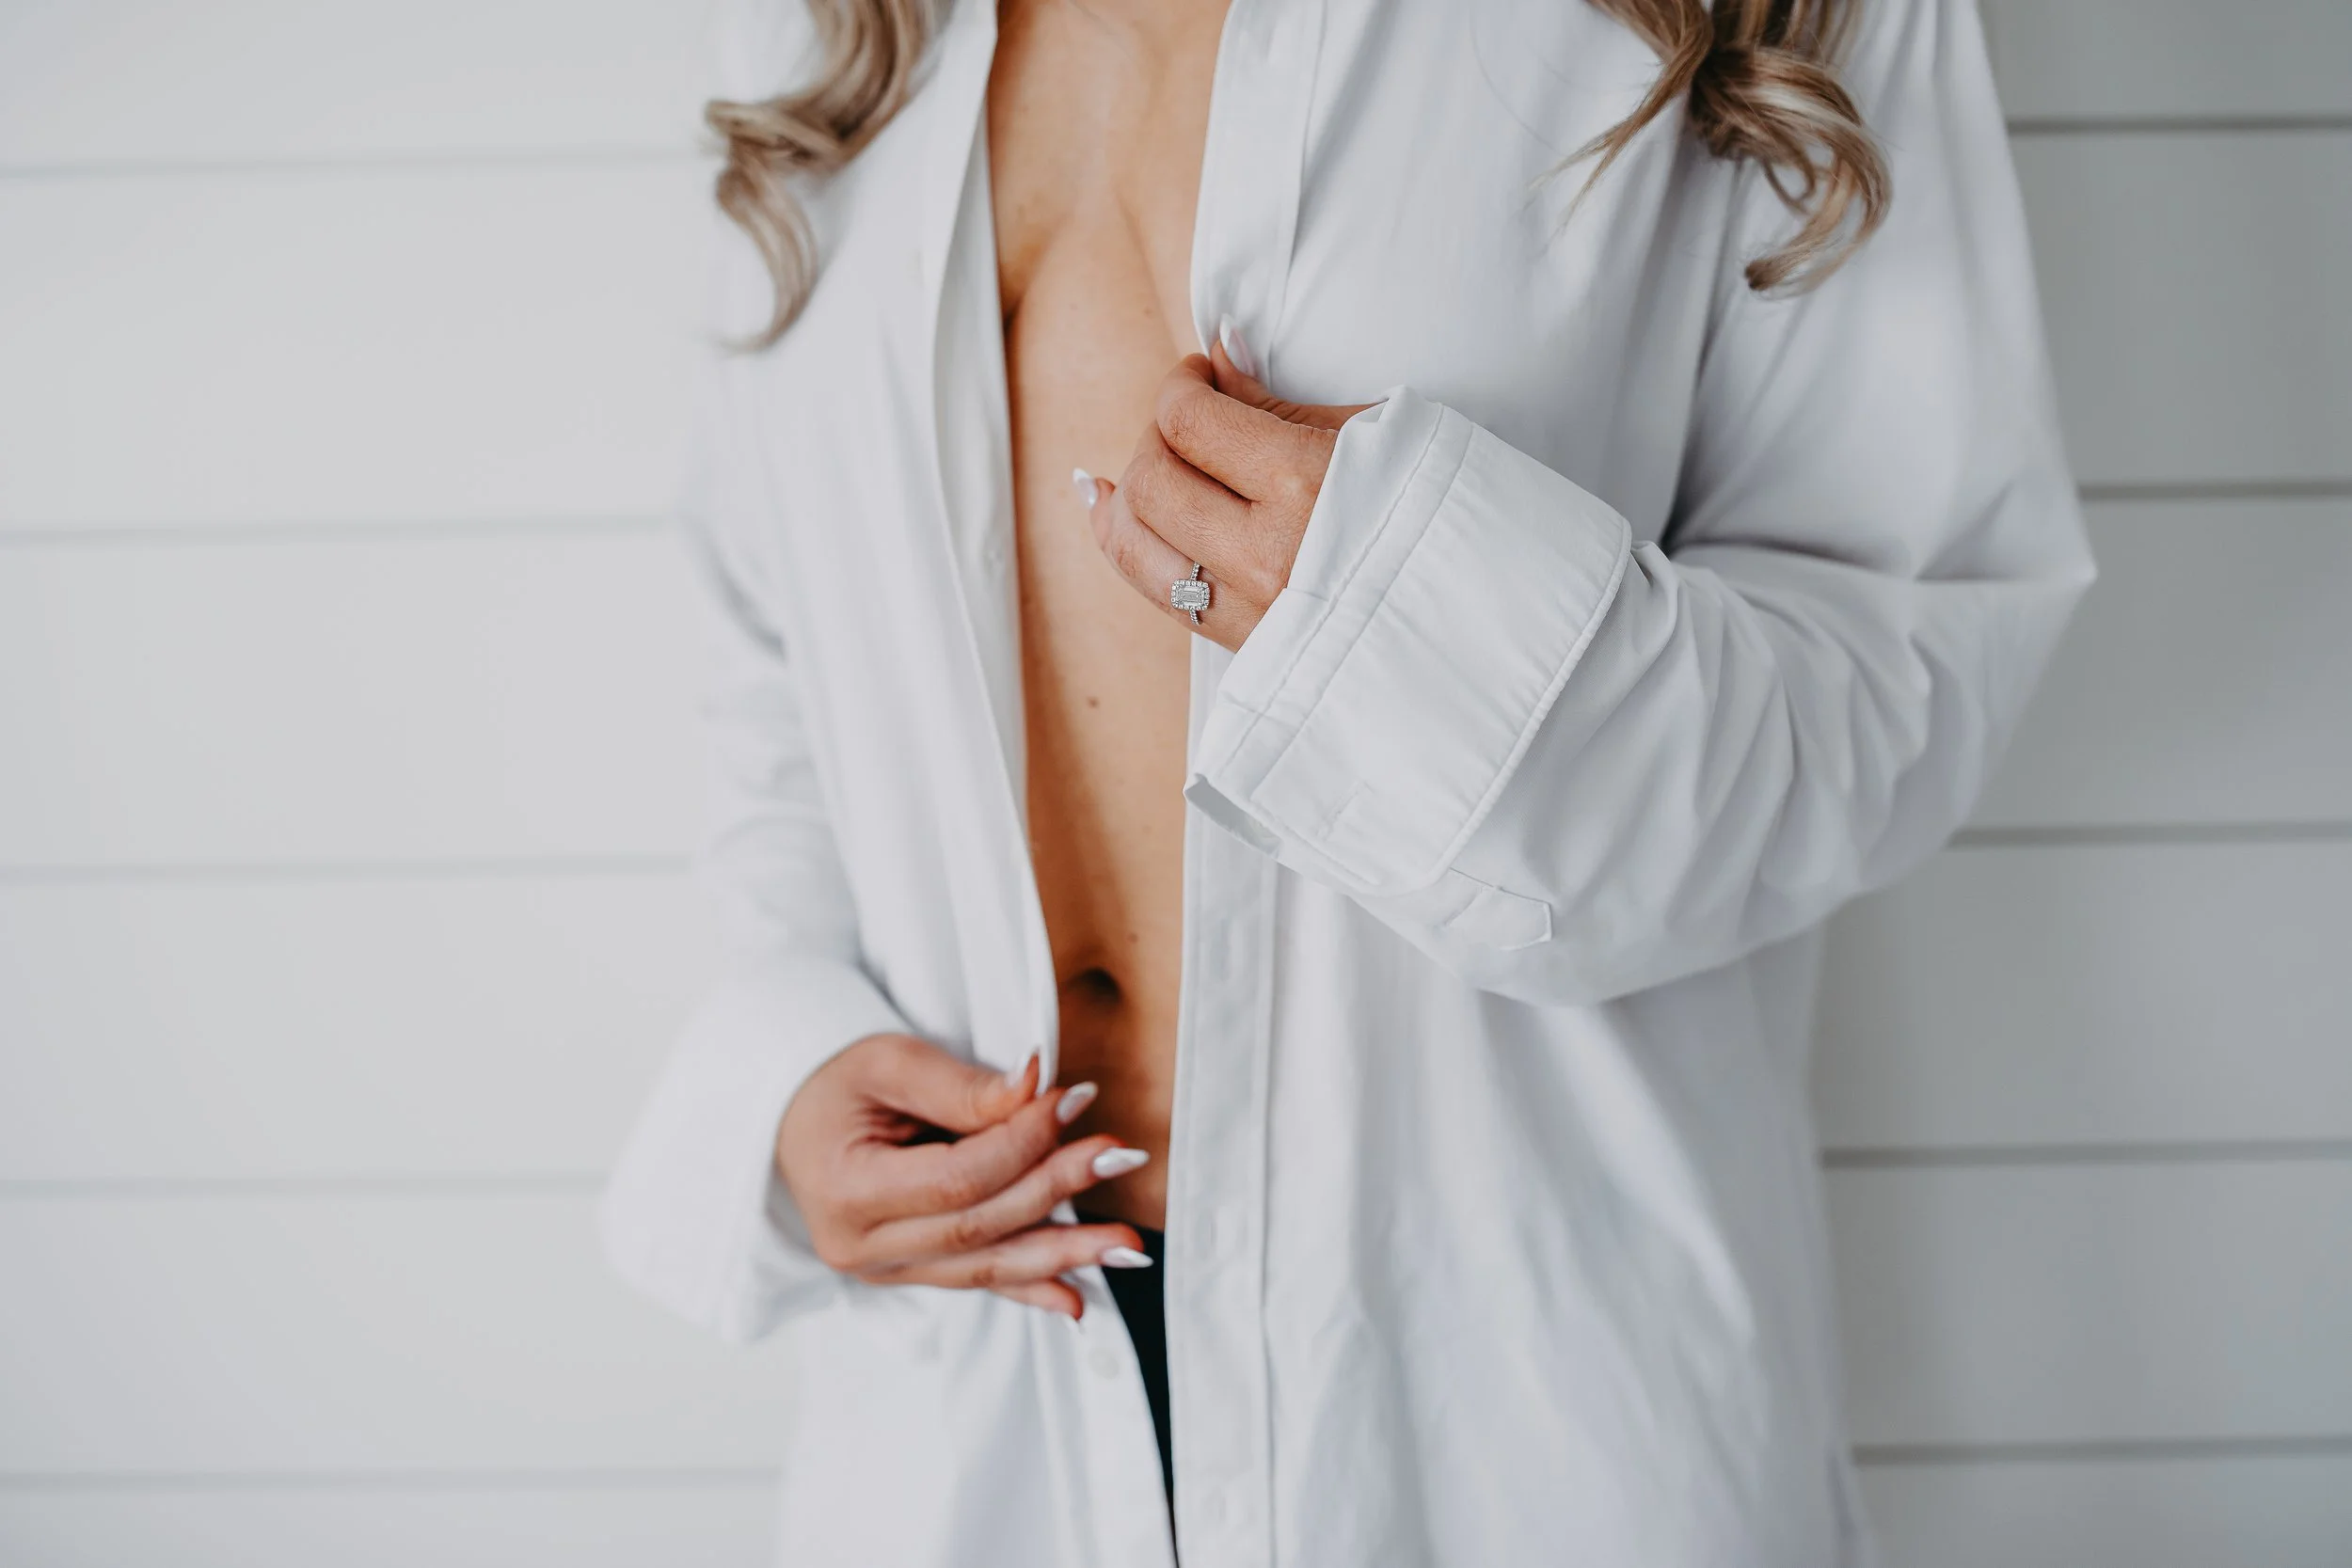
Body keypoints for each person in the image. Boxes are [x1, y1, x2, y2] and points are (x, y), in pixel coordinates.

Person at [600, 0, 2093, 1560]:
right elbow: (777, 650)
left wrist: (1431, 621)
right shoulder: (815, 27)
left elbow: (1901, 673)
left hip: (1503, 1390)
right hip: (971, 1400)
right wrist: (796, 1054)